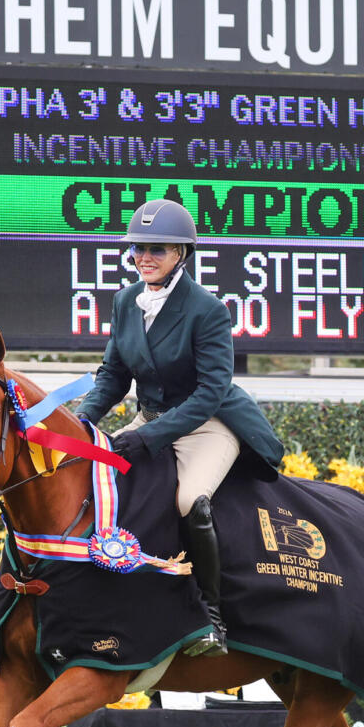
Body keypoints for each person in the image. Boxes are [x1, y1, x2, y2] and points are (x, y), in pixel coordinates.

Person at [76, 199, 285, 656]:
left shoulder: (207, 310)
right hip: (150, 417)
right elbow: (113, 375)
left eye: (157, 249)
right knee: (101, 489)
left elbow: (211, 393)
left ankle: (211, 616)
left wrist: (147, 437)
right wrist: (82, 420)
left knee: (190, 500)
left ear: (181, 255)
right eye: (137, 249)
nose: (144, 258)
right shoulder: (126, 301)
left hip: (207, 424)